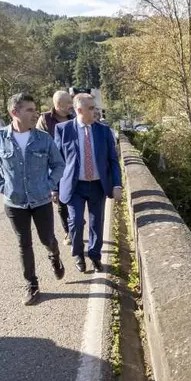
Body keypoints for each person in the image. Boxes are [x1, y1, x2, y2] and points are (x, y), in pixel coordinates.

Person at [0, 93, 66, 305]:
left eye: (35, 109)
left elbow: (59, 165)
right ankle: (32, 285)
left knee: (47, 239)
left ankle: (54, 256)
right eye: (29, 110)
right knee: (23, 244)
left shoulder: (43, 139)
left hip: (41, 200)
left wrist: (48, 184)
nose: (34, 114)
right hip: (14, 202)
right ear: (14, 113)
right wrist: (1, 185)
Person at [55, 93, 122, 273]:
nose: (95, 111)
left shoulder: (103, 130)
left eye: (95, 107)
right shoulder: (63, 129)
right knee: (76, 222)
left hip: (98, 185)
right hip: (74, 186)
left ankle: (95, 256)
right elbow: (56, 162)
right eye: (91, 108)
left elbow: (113, 160)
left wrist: (117, 184)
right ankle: (78, 254)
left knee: (96, 223)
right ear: (79, 110)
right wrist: (54, 188)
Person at [37, 91, 75, 245]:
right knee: (61, 202)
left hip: (72, 166)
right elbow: (39, 143)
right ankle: (68, 232)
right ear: (58, 105)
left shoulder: (74, 117)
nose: (71, 106)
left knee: (75, 200)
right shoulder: (45, 119)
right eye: (68, 103)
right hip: (54, 167)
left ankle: (75, 227)